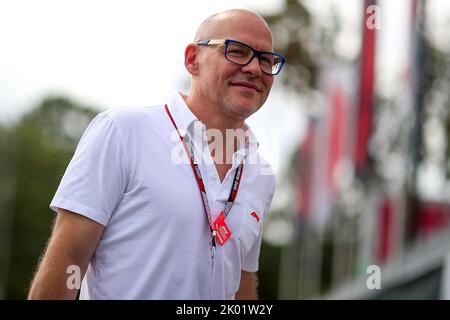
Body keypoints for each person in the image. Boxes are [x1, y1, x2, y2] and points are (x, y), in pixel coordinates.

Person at [28, 8, 285, 300]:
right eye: (237, 51)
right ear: (192, 59)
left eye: (266, 59)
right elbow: (68, 260)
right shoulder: (123, 132)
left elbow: (242, 283)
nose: (254, 68)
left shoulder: (260, 174)